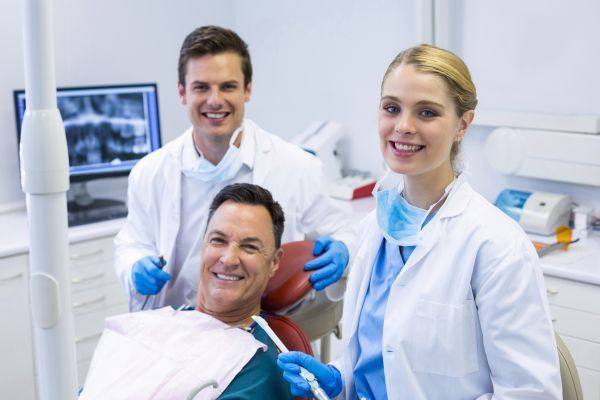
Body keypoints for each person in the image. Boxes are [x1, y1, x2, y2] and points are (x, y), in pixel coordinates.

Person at [277, 44, 561, 399]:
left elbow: (531, 392)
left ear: (463, 124)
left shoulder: (496, 246)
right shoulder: (373, 230)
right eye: (391, 108)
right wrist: (341, 379)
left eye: (427, 113)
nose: (403, 126)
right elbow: (387, 359)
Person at [114, 25, 355, 311]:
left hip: (259, 328)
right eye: (201, 87)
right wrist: (134, 267)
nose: (215, 100)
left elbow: (343, 230)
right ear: (182, 92)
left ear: (247, 90)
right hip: (175, 327)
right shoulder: (150, 171)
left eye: (227, 86)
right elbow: (131, 244)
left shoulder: (299, 168)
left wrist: (345, 250)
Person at [81, 183, 293, 399]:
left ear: (274, 262)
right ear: (203, 246)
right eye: (218, 240)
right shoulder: (157, 321)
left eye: (250, 247)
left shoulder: (258, 367)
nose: (228, 259)